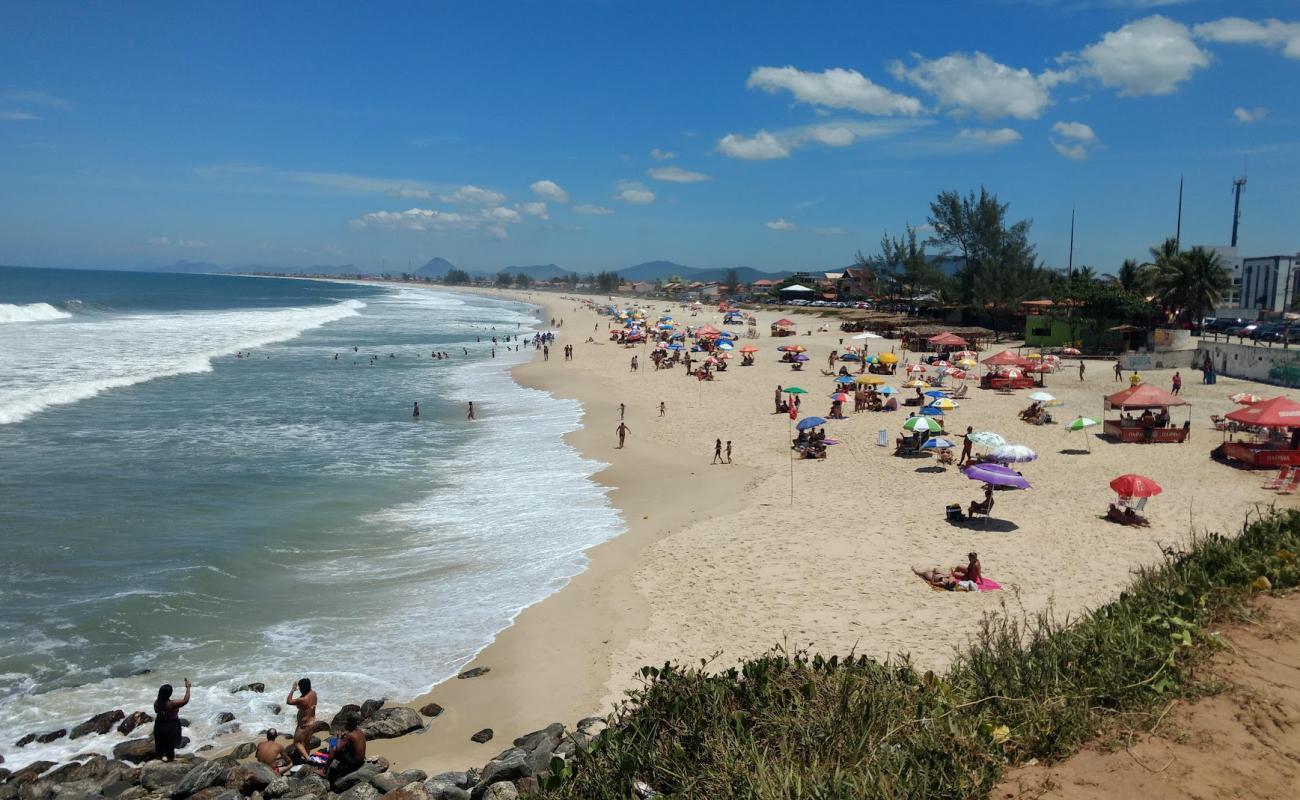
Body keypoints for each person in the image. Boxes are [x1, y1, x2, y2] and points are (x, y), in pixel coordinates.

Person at [321, 714, 366, 786]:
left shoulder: (349, 735)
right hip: (361, 760)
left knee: (333, 746)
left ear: (349, 725)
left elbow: (338, 749)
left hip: (355, 763)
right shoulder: (359, 732)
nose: (345, 725)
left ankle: (324, 771)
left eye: (346, 723)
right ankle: (340, 766)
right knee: (343, 745)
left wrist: (339, 737)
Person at [152, 678, 190, 762]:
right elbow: (185, 700)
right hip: (171, 725)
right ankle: (170, 760)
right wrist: (188, 688)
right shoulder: (172, 704)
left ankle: (158, 760)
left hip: (159, 725)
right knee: (170, 747)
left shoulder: (156, 703)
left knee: (159, 745)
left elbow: (156, 711)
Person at [286, 678, 317, 764]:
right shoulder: (313, 694)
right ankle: (307, 757)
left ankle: (308, 759)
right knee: (306, 741)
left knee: (297, 743)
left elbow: (288, 701)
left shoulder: (302, 699)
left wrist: (293, 690)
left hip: (304, 725)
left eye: (300, 688)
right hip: (312, 722)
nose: (299, 689)